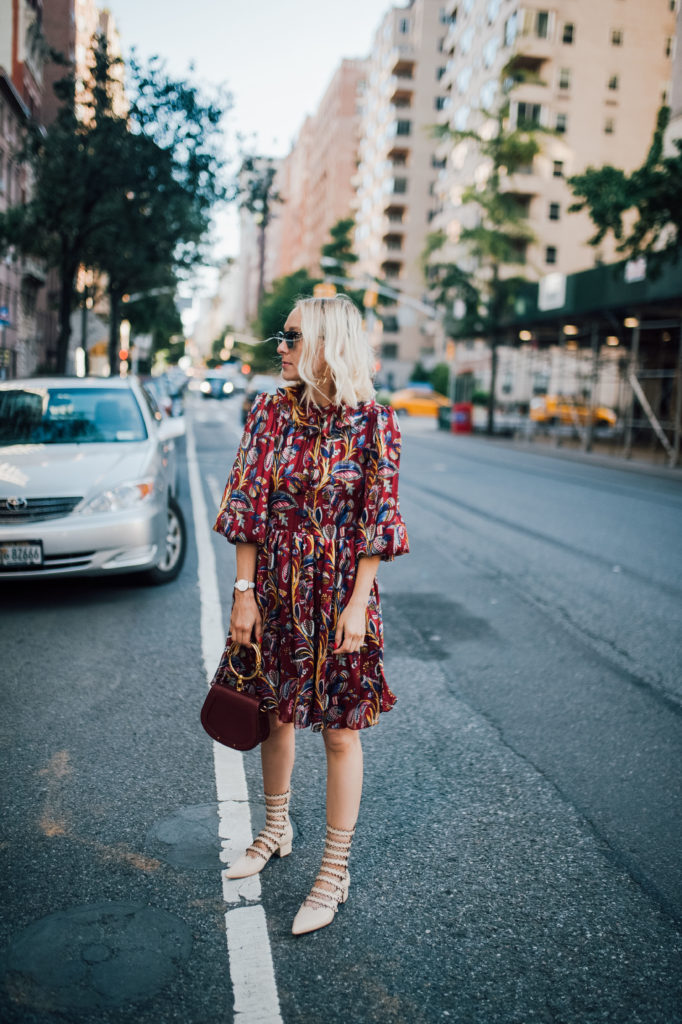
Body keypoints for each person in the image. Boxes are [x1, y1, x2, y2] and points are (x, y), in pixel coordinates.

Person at [212, 294, 409, 936]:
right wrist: (243, 594)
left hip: (340, 598)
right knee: (273, 714)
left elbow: (379, 521)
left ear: (328, 343)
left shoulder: (375, 422)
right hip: (273, 591)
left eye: (293, 336)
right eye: (282, 335)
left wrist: (358, 604)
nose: (282, 346)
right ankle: (275, 829)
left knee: (340, 733)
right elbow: (247, 500)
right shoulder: (269, 410)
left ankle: (334, 869)